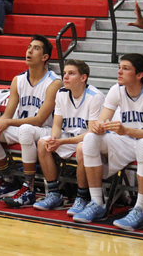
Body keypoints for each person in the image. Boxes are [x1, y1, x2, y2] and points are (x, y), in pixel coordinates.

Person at [76, 53, 143, 230]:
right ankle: (97, 203)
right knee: (90, 139)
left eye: (125, 69)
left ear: (139, 75)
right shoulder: (117, 89)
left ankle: (141, 209)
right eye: (119, 67)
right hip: (127, 142)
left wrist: (126, 130)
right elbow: (102, 121)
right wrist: (98, 127)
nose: (119, 72)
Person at [0, 34, 61, 206]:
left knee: (25, 130)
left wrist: (7, 122)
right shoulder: (18, 80)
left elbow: (39, 119)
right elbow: (8, 115)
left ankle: (29, 188)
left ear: (45, 57)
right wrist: (1, 123)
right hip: (23, 130)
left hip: (45, 131)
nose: (30, 51)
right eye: (29, 47)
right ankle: (8, 180)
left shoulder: (54, 82)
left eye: (36, 48)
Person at [32, 59, 104, 212]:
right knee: (43, 143)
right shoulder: (62, 93)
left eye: (71, 74)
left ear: (83, 78)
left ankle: (82, 197)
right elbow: (57, 124)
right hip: (69, 137)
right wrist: (54, 138)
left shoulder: (95, 96)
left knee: (81, 148)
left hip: (91, 141)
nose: (65, 77)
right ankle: (54, 194)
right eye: (64, 73)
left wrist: (61, 141)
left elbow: (91, 133)